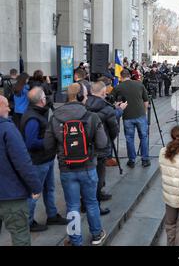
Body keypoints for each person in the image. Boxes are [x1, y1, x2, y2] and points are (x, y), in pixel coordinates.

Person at [44, 83, 108, 246]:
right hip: (88, 167)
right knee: (91, 202)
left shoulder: (55, 117)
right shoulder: (91, 116)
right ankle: (96, 234)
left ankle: (75, 240)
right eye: (85, 94)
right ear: (80, 96)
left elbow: (48, 145)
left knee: (72, 205)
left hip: (66, 168)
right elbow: (102, 143)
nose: (86, 97)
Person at [20, 87, 67, 232]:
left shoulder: (37, 113)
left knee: (49, 188)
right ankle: (28, 222)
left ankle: (52, 215)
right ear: (41, 100)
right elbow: (31, 142)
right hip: (38, 161)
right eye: (45, 97)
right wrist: (50, 140)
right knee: (35, 192)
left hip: (46, 159)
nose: (47, 99)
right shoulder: (32, 118)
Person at [0, 95, 42, 246]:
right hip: (11, 196)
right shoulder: (7, 129)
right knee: (20, 236)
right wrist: (36, 186)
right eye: (6, 105)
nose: (9, 108)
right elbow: (23, 162)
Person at [86, 81, 124, 215]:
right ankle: (95, 203)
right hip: (102, 146)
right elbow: (114, 130)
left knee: (89, 175)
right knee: (99, 175)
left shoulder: (84, 104)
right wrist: (119, 110)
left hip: (86, 146)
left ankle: (87, 200)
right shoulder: (107, 109)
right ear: (103, 92)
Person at [112, 69, 150, 168]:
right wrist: (144, 112)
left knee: (129, 138)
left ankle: (132, 160)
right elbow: (146, 101)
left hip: (127, 117)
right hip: (140, 115)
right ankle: (145, 160)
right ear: (130, 75)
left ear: (121, 77)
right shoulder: (139, 84)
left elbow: (112, 102)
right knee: (144, 137)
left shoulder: (118, 87)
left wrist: (118, 106)